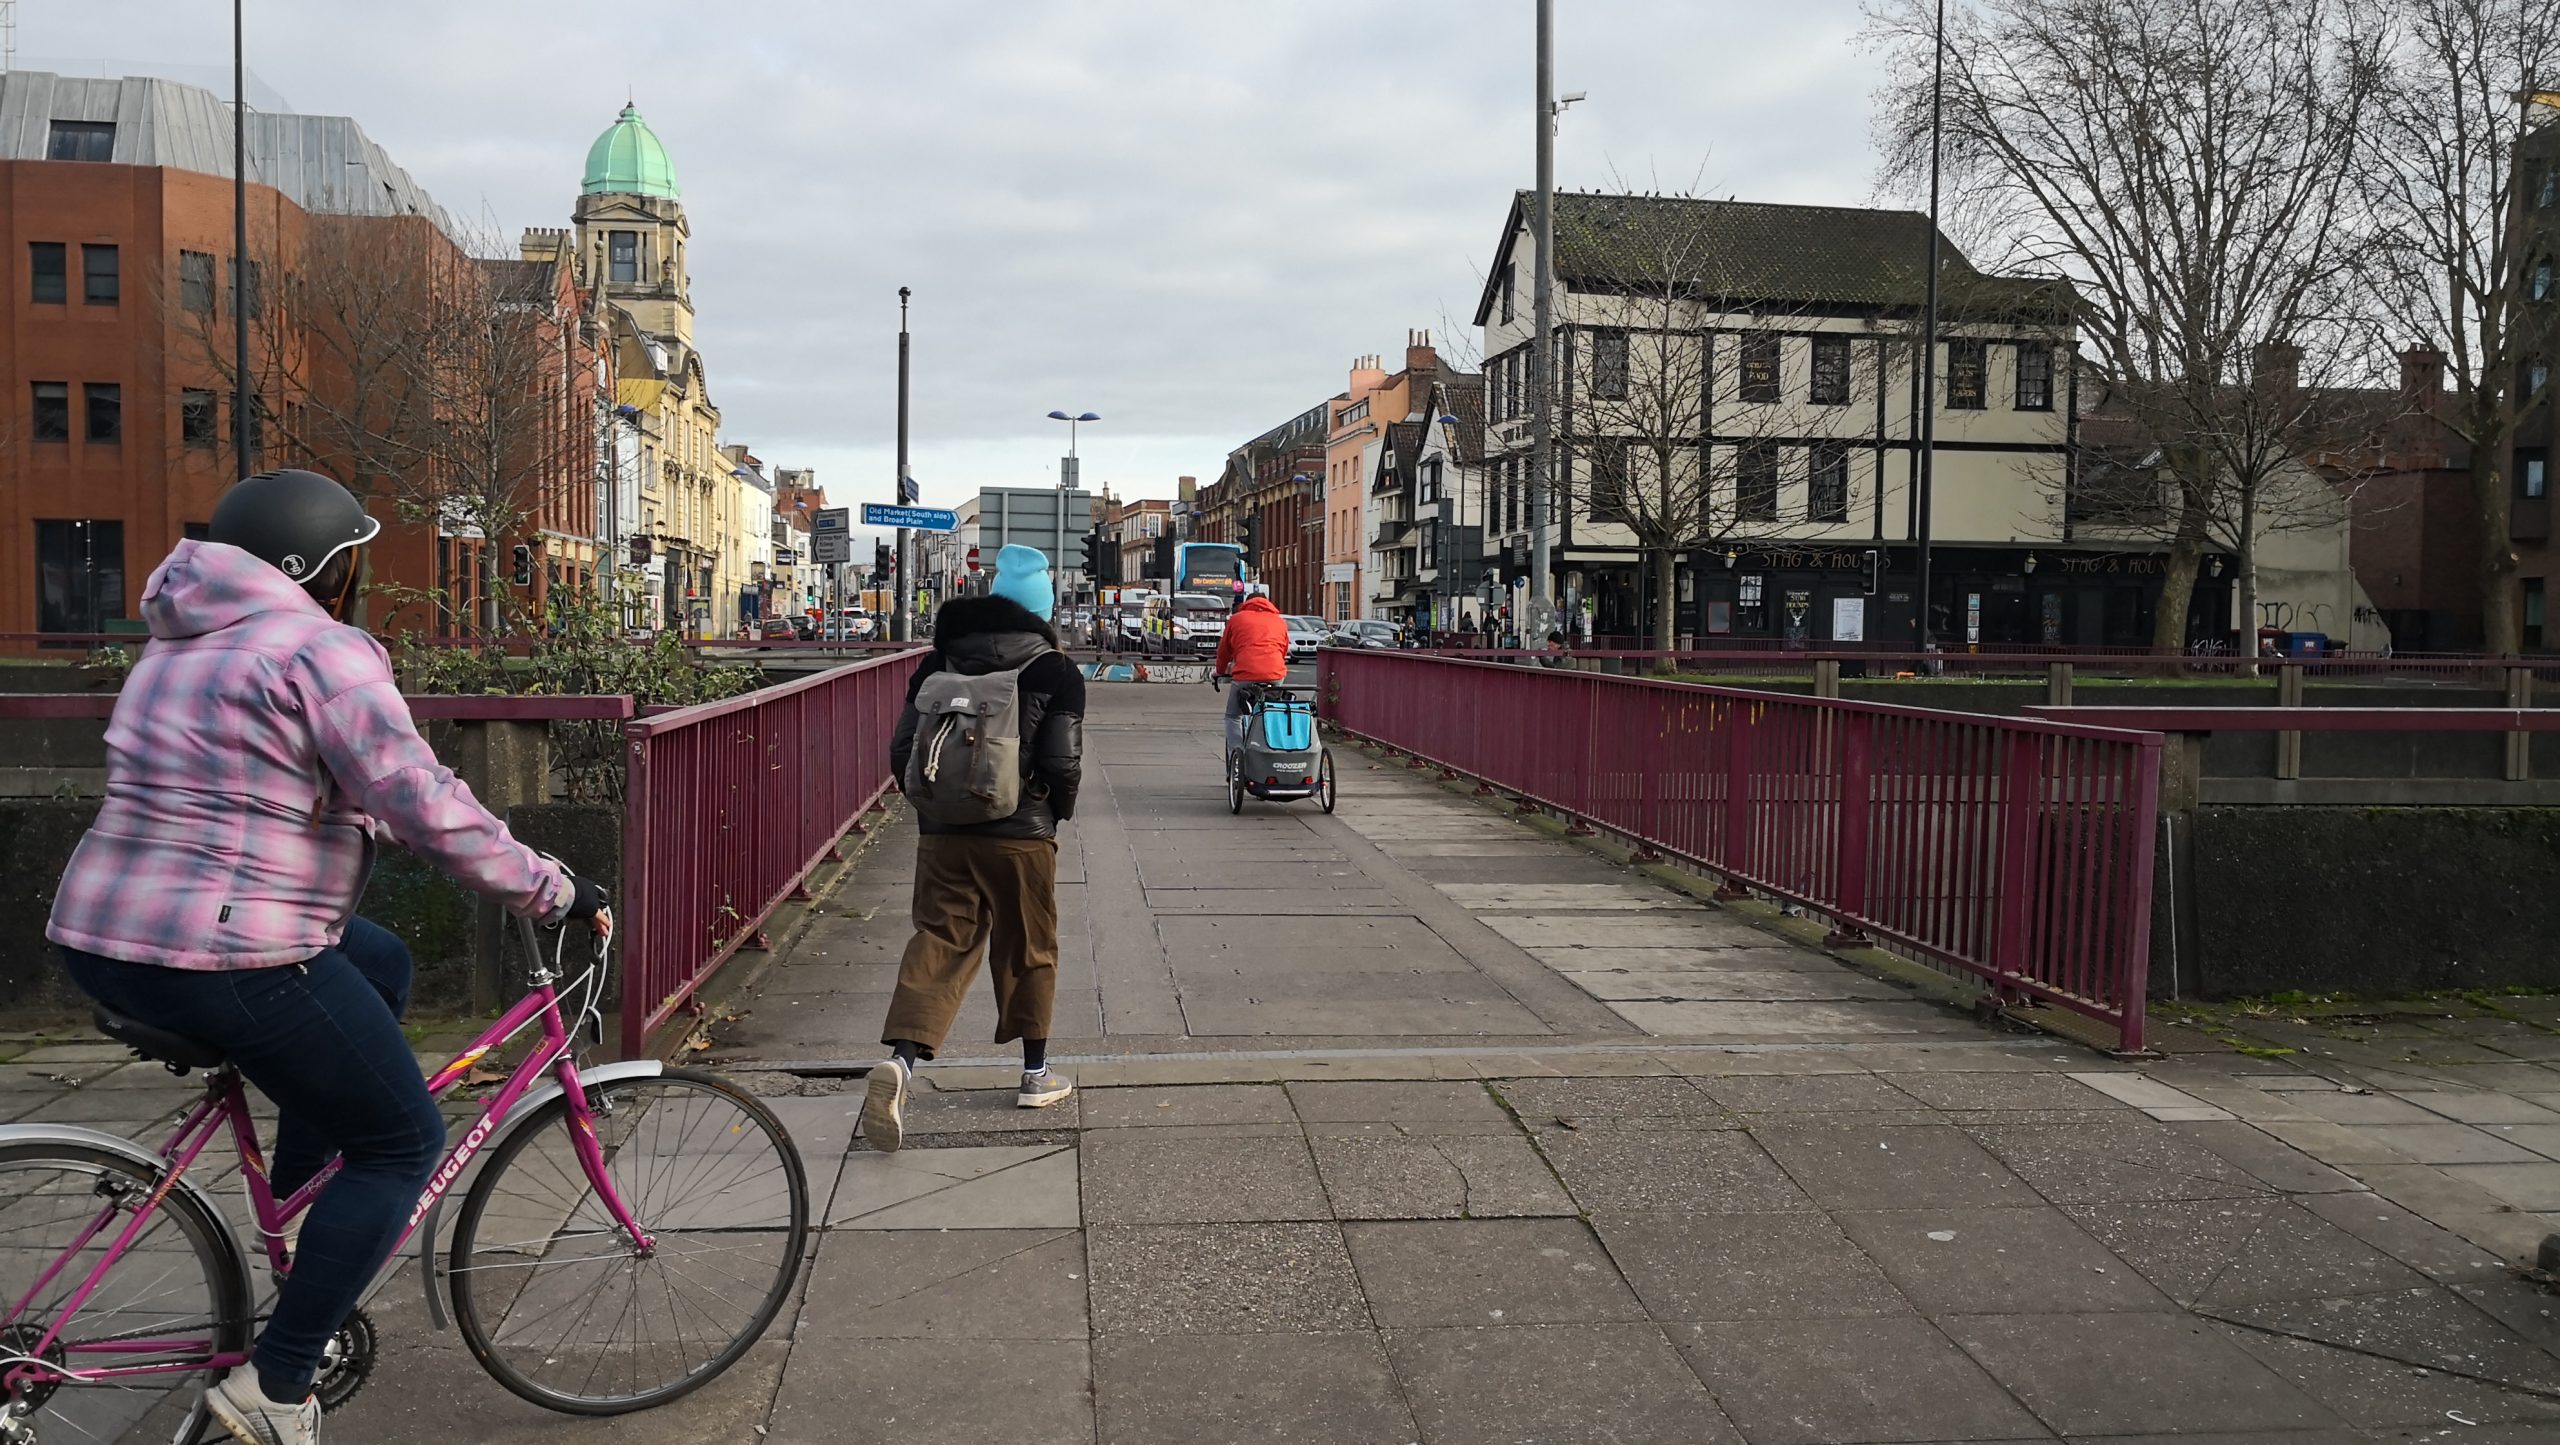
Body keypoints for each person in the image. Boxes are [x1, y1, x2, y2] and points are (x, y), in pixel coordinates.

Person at [47, 469, 606, 1445]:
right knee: (402, 1141)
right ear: (318, 569)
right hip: (222, 947)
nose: (356, 581)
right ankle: (276, 1384)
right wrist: (551, 886)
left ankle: (307, 1220)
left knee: (378, 960)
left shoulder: (177, 646)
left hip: (107, 933)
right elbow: (418, 797)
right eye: (350, 563)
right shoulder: (318, 649)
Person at [864, 545, 1086, 1151]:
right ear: (1041, 611)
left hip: (944, 833)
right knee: (1029, 946)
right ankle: (1035, 1075)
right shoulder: (1054, 670)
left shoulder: (939, 660)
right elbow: (1063, 759)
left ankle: (902, 1065)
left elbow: (903, 746)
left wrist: (932, 808)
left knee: (940, 941)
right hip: (1021, 832)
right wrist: (1053, 812)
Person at [1212, 592, 1292, 756]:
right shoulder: (1280, 621)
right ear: (1267, 603)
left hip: (1245, 674)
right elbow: (1283, 650)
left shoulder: (1237, 619)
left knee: (1233, 716)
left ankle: (1238, 754)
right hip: (1274, 674)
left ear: (1247, 603)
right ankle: (1270, 747)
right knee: (1270, 710)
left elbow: (1224, 651)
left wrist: (1219, 671)